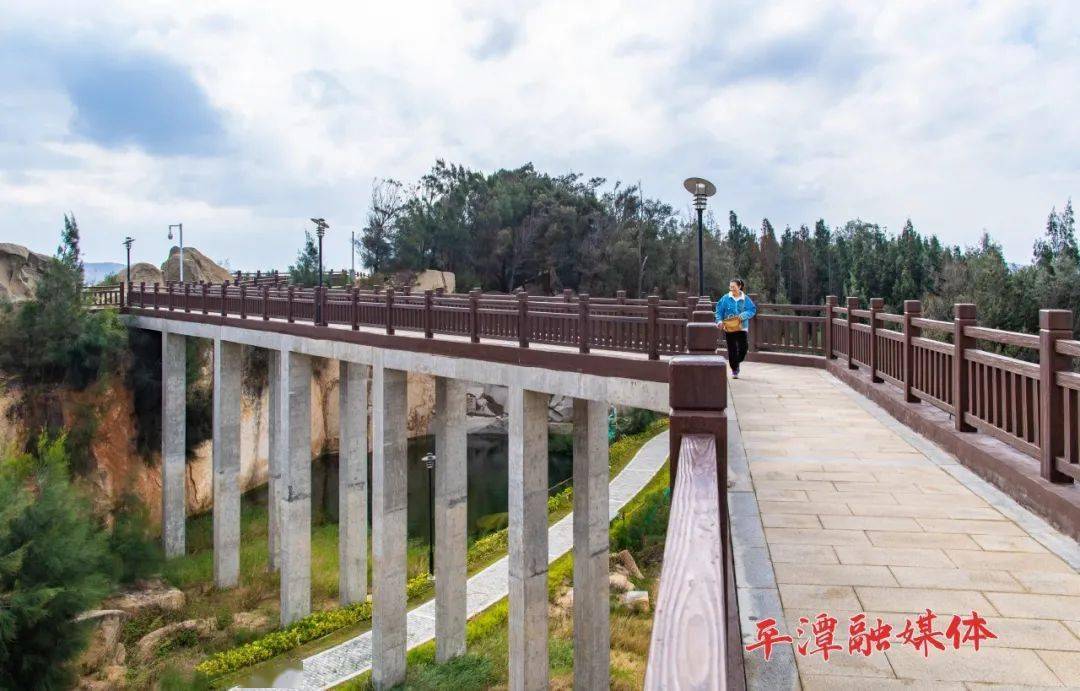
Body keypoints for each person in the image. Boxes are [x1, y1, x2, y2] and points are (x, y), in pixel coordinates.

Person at [715, 278, 756, 378]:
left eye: (734, 287)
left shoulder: (745, 298)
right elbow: (718, 311)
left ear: (739, 286)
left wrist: (744, 315)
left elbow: (752, 309)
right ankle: (735, 370)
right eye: (730, 287)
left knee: (744, 348)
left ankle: (735, 361)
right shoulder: (725, 298)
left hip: (742, 327)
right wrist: (719, 321)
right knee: (732, 349)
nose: (731, 288)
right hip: (729, 327)